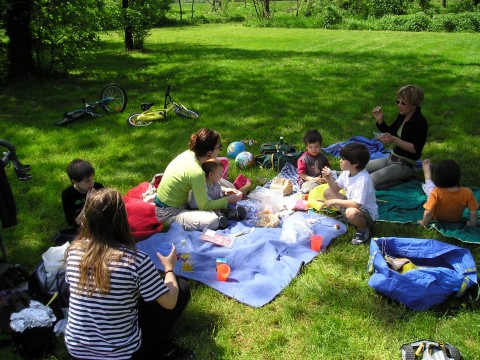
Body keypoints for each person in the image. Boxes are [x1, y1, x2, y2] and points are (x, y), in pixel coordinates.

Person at [65, 188, 191, 360]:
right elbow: (169, 302)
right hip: (123, 354)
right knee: (181, 288)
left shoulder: (74, 251)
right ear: (122, 219)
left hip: (76, 350)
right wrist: (169, 268)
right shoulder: (135, 259)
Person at [155, 128, 242, 231]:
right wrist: (227, 200)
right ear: (209, 153)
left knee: (229, 187)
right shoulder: (197, 172)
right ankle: (221, 213)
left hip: (182, 196)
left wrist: (223, 189)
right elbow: (204, 206)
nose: (220, 151)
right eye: (219, 148)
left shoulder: (191, 154)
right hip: (170, 212)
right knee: (212, 221)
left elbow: (203, 182)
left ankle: (223, 211)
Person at [366, 85, 428, 189]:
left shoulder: (420, 122)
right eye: (398, 101)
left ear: (414, 105)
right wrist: (380, 120)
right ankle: (333, 176)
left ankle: (400, 180)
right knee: (358, 167)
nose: (399, 105)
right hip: (391, 158)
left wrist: (395, 140)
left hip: (404, 165)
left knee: (369, 180)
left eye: (403, 103)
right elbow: (391, 132)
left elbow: (415, 149)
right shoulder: (402, 115)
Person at [321, 143, 378, 245]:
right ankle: (347, 217)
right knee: (328, 193)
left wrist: (333, 201)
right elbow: (335, 189)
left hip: (366, 213)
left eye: (343, 159)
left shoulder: (363, 179)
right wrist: (328, 178)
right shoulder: (347, 172)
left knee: (351, 212)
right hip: (354, 206)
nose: (340, 161)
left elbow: (357, 204)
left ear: (355, 163)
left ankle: (363, 228)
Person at [418, 159, 478, 227]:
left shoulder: (436, 192)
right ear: (458, 176)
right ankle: (428, 177)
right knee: (430, 189)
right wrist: (472, 224)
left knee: (429, 187)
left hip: (437, 218)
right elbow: (473, 212)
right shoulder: (467, 192)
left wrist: (423, 223)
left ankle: (427, 176)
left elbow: (428, 213)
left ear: (438, 178)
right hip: (456, 219)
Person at [188, 159, 248, 226]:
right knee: (214, 214)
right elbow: (207, 205)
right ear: (211, 174)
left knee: (226, 208)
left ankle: (236, 214)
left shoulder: (215, 183)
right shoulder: (202, 187)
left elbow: (219, 194)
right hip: (199, 209)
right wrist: (227, 200)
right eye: (220, 174)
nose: (222, 175)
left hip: (213, 205)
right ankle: (220, 221)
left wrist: (225, 192)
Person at [61, 159, 103, 228]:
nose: (92, 183)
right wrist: (88, 202)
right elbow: (75, 223)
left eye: (93, 178)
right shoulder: (67, 194)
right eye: (87, 181)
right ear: (75, 181)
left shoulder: (98, 187)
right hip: (81, 228)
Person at [297, 129, 331, 193]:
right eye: (311, 147)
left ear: (320, 146)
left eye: (316, 146)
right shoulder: (303, 159)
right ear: (306, 147)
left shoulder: (322, 157)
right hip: (307, 180)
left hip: (320, 178)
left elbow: (327, 168)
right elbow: (302, 175)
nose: (314, 149)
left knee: (334, 177)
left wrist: (325, 176)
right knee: (312, 187)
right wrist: (314, 179)